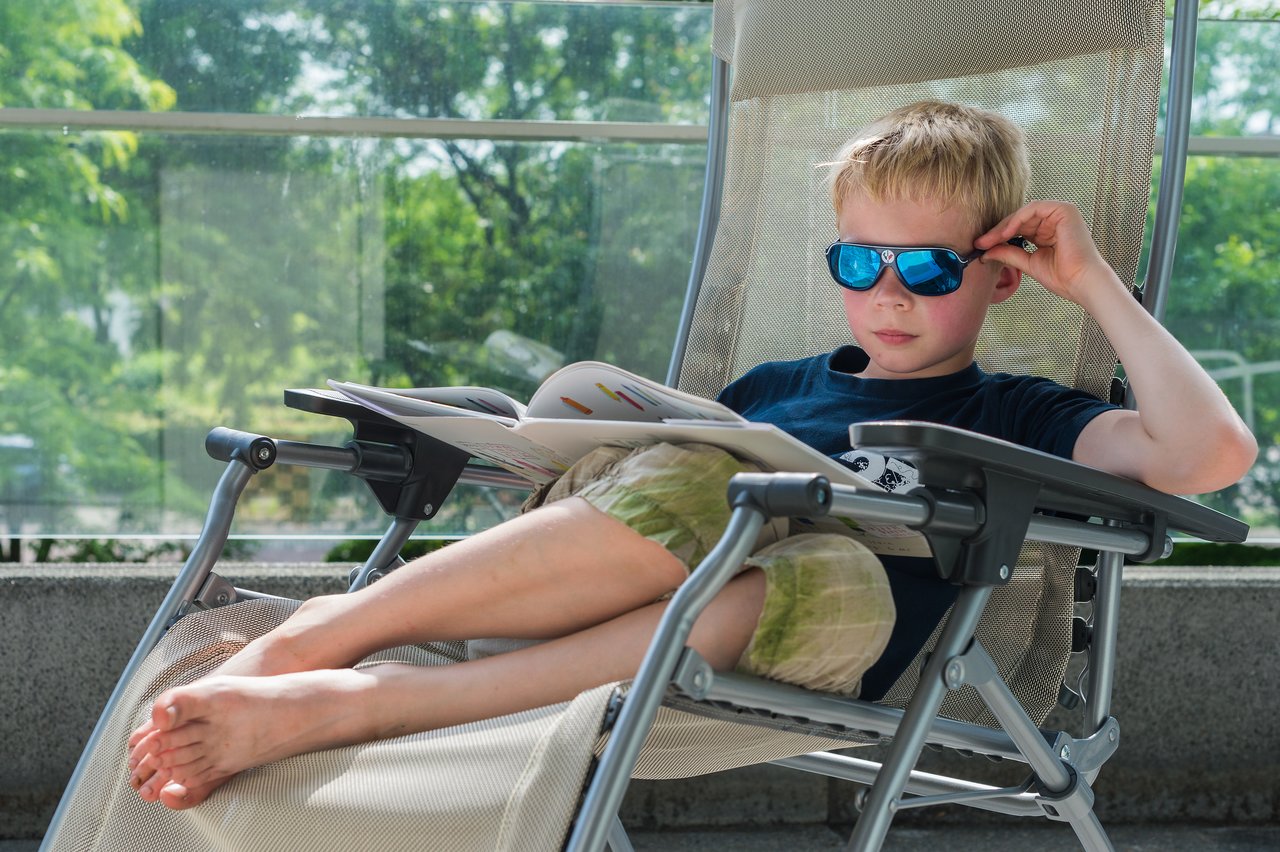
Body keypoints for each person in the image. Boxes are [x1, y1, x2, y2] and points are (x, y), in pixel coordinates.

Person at [125, 100, 1256, 811]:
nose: (890, 296)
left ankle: (355, 702)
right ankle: (326, 640)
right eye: (861, 265)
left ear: (1001, 273)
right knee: (686, 465)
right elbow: (645, 516)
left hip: (818, 630)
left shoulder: (1014, 410)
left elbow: (1206, 454)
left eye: (928, 269)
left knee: (770, 535)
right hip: (624, 613)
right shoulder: (769, 392)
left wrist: (1088, 279)